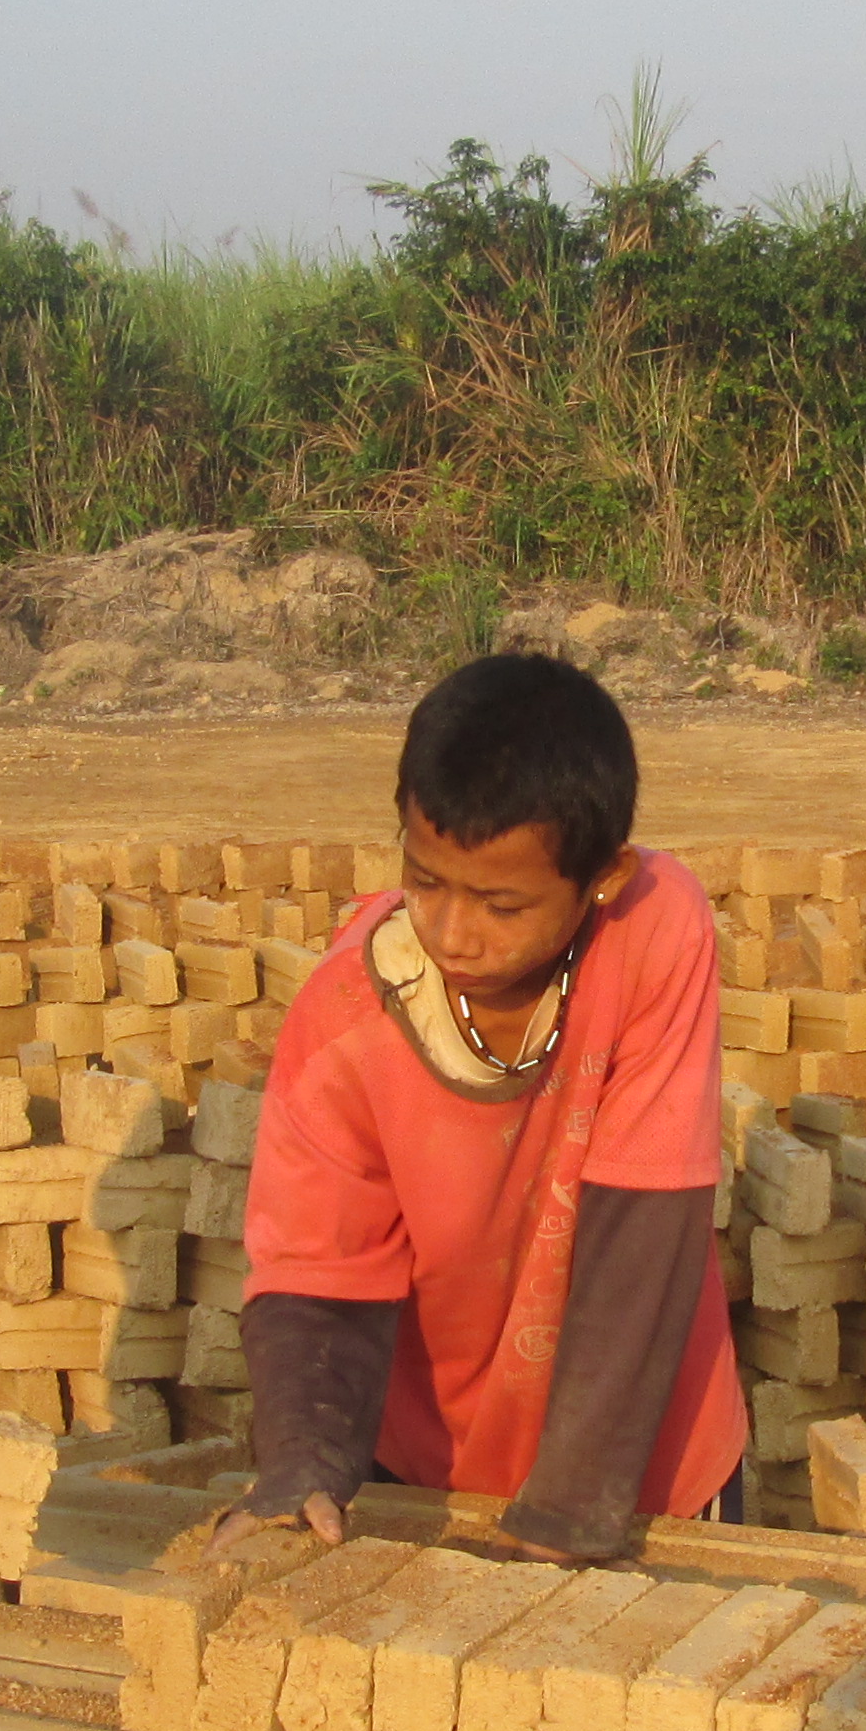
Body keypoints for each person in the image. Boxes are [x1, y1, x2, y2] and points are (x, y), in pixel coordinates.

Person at [233, 652, 743, 1563]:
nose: (452, 933)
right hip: (433, 1471)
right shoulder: (346, 1020)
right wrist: (303, 1461)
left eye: (501, 905)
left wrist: (567, 1514)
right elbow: (319, 1272)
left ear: (604, 877)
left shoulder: (655, 928)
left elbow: (643, 1227)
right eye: (425, 881)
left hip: (644, 1467)